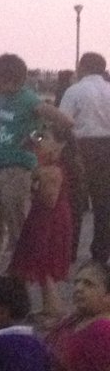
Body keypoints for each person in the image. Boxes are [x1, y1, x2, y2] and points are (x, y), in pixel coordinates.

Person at [0, 53, 71, 277]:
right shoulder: (3, 100)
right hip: (0, 166)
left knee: (16, 222)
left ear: (10, 81)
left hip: (18, 168)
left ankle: (22, 271)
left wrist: (35, 138)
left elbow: (63, 121)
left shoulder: (28, 99)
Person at [10, 126, 78, 318]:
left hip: (48, 219)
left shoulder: (50, 171)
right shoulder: (52, 166)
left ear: (58, 146)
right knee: (41, 261)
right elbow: (25, 144)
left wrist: (35, 184)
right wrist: (35, 137)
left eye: (44, 140)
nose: (38, 145)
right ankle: (49, 307)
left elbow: (49, 200)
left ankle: (54, 309)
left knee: (43, 262)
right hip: (48, 216)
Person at [59, 53, 110, 265]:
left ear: (82, 67)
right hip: (106, 147)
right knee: (103, 203)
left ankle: (69, 250)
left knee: (75, 202)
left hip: (79, 147)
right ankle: (100, 252)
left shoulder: (75, 90)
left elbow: (63, 121)